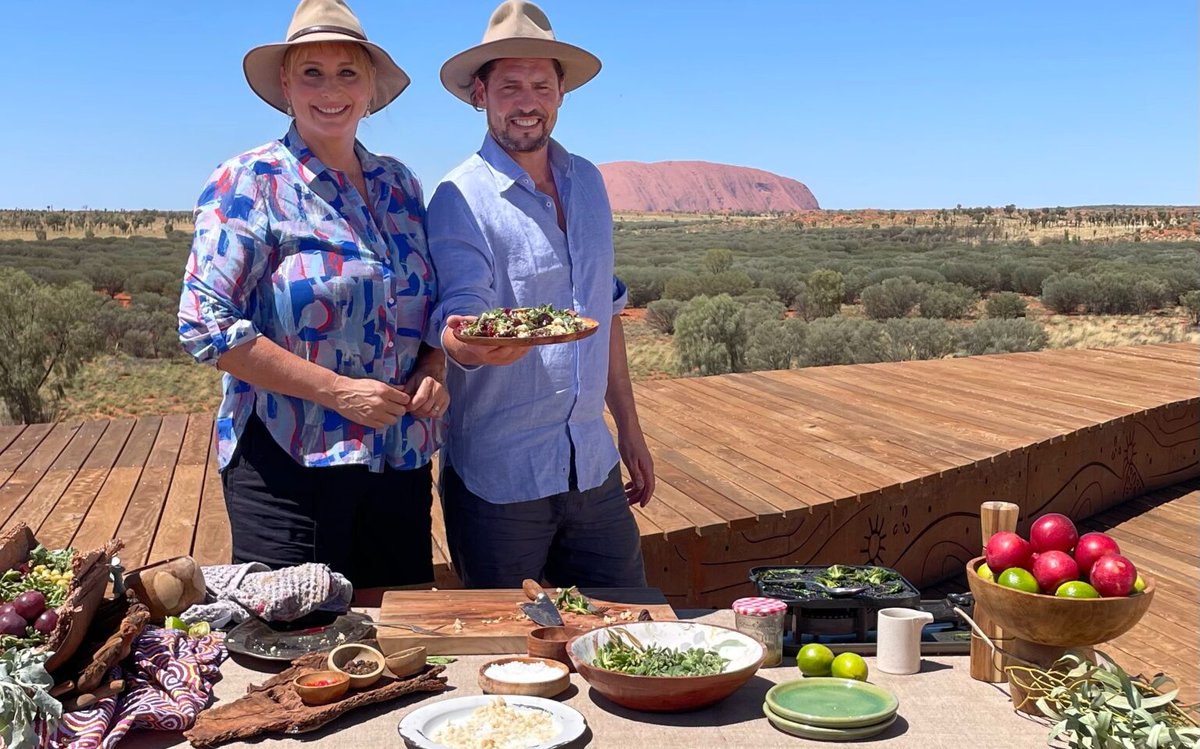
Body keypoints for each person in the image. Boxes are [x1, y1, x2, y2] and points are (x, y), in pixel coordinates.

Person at [177, 0, 447, 589]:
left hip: (396, 460)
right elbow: (204, 322)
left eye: (348, 72)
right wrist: (340, 392)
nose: (331, 90)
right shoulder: (250, 181)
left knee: (402, 644)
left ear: (371, 86)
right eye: (312, 73)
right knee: (296, 657)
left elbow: (430, 304)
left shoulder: (399, 185)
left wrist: (433, 366)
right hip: (289, 463)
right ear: (285, 83)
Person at [427, 0, 655, 589]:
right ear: (480, 94)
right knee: (509, 648)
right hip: (503, 479)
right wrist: (471, 344)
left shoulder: (590, 183)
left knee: (624, 625)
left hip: (593, 466)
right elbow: (461, 316)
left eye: (539, 85)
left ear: (560, 94)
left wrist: (628, 430)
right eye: (509, 86)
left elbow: (605, 313)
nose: (526, 102)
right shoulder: (460, 196)